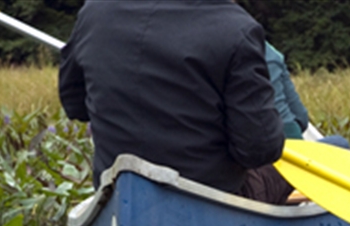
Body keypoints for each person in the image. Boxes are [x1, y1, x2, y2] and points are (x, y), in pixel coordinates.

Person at [58, 0, 294, 205]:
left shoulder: (95, 12)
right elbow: (259, 150)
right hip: (212, 202)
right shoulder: (236, 28)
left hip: (118, 197)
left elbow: (74, 104)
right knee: (332, 145)